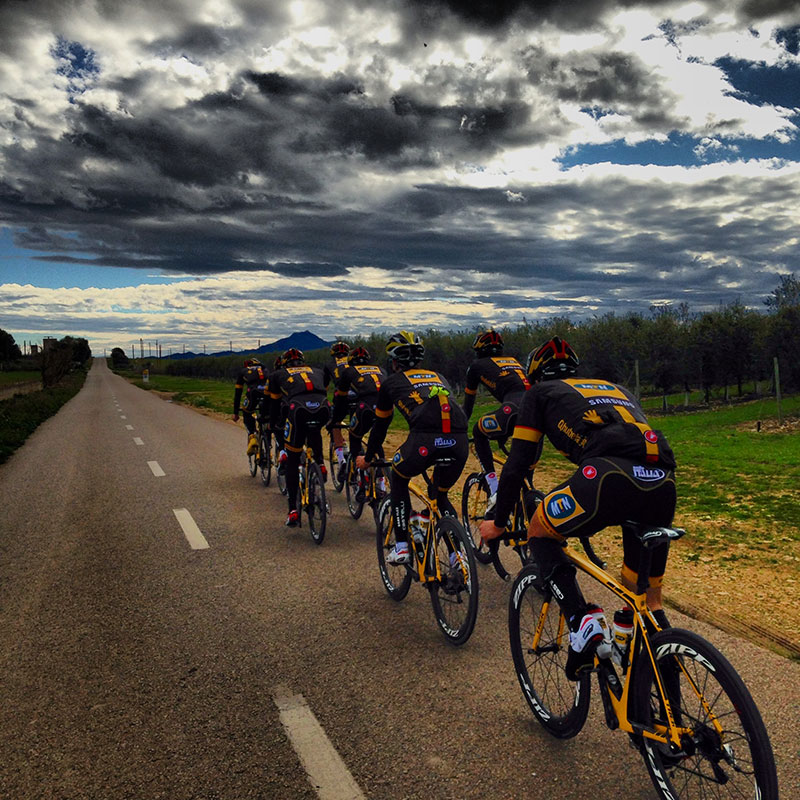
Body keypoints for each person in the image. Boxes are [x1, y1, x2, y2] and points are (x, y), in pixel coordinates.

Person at [479, 336, 677, 680]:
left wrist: (498, 522)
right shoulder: (614, 388)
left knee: (539, 530)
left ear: (534, 376)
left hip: (605, 478)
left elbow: (516, 464)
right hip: (662, 481)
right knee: (646, 599)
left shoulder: (538, 393)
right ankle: (663, 705)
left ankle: (581, 622)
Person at [357, 331, 469, 565]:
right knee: (440, 495)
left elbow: (381, 426)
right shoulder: (438, 376)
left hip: (425, 442)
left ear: (394, 361)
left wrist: (368, 457)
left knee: (398, 478)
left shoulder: (390, 383)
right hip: (459, 442)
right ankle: (456, 556)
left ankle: (402, 547)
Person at [462, 328, 530, 503]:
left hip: (512, 409)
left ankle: (493, 489)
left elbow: (468, 405)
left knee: (478, 430)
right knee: (524, 469)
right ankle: (528, 499)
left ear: (479, 351)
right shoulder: (513, 361)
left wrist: (460, 429)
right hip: (536, 410)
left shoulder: (476, 367)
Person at [267, 348, 330, 527]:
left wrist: (274, 424)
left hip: (298, 409)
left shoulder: (278, 374)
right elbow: (323, 387)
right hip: (324, 407)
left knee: (293, 458)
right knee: (314, 428)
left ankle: (293, 510)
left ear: (285, 363)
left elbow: (274, 404)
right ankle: (321, 464)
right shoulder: (316, 370)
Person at [330, 346, 387, 493]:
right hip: (386, 408)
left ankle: (360, 476)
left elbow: (340, 399)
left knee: (355, 436)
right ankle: (382, 481)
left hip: (365, 407)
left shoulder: (349, 371)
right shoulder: (380, 369)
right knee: (377, 437)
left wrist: (335, 420)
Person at [323, 340, 351, 474]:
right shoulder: (353, 361)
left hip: (341, 396)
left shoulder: (329, 365)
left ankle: (341, 459)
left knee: (335, 423)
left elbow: (324, 387)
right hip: (361, 396)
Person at [232, 357, 269, 455]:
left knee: (247, 412)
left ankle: (252, 436)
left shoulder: (244, 371)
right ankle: (268, 445)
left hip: (253, 393)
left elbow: (238, 393)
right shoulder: (265, 370)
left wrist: (235, 412)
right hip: (267, 394)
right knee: (267, 417)